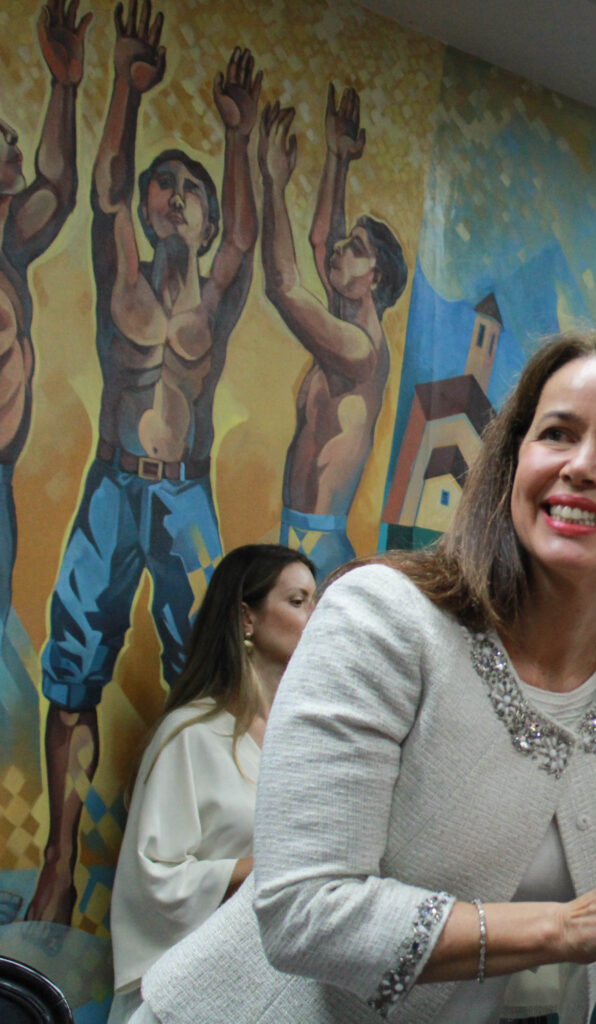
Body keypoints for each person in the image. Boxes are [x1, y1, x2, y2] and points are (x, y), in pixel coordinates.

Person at [131, 320, 596, 1024]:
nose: (580, 465)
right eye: (556, 434)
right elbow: (305, 910)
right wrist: (564, 926)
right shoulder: (381, 618)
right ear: (513, 464)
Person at [31, 0, 262, 925]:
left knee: (205, 675)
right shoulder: (123, 278)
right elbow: (107, 198)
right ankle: (58, 864)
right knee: (72, 668)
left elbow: (245, 240)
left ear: (204, 225)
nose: (172, 195)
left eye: (190, 190)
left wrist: (238, 141)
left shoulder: (216, 298)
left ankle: (177, 857)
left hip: (186, 502)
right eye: (164, 183)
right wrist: (125, 86)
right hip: (110, 489)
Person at [107, 545, 317, 1023]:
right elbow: (152, 884)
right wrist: (270, 870)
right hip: (191, 992)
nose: (315, 616)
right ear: (246, 618)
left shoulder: (307, 740)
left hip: (277, 989)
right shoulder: (190, 735)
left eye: (316, 602)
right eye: (298, 601)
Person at [259, 89, 405, 584]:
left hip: (320, 550)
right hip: (295, 537)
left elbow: (282, 286)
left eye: (356, 249)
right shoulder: (346, 328)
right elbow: (322, 240)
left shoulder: (360, 352)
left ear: (376, 278)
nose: (340, 250)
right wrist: (338, 159)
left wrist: (274, 185)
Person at [0, 0, 90, 624]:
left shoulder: (9, 247)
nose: (15, 143)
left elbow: (57, 186)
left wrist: (64, 86)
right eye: (4, 138)